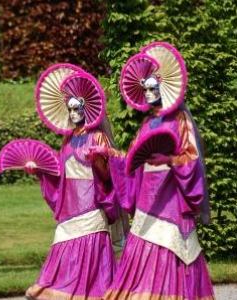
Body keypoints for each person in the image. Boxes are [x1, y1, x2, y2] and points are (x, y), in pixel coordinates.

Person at [88, 42, 215, 300]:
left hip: (170, 201)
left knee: (169, 250)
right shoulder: (147, 122)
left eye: (152, 88)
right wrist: (111, 154)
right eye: (144, 89)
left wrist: (168, 160)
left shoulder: (179, 121)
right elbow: (133, 159)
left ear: (164, 88)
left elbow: (190, 158)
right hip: (147, 201)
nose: (147, 93)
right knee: (141, 253)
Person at [24, 66, 120, 300]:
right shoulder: (67, 140)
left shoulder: (98, 136)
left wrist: (97, 160)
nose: (73, 112)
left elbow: (108, 177)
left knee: (90, 251)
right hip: (70, 205)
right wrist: (39, 171)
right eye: (70, 109)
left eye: (77, 108)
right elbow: (60, 174)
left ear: (87, 108)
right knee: (62, 245)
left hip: (91, 203)